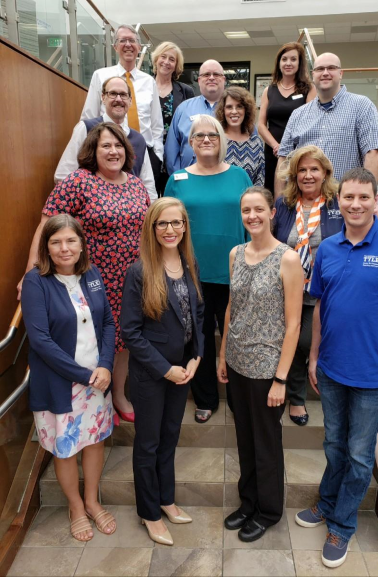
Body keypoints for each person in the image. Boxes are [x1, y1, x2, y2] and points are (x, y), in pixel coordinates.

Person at [296, 168, 378, 569]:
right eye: (348, 198)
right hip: (333, 370)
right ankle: (328, 501)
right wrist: (315, 356)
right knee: (335, 445)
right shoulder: (329, 249)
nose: (355, 205)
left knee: (358, 455)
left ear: (376, 202)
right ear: (339, 201)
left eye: (363, 198)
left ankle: (342, 524)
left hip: (374, 377)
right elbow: (319, 307)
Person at [19, 122, 150, 423]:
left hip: (130, 278)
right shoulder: (79, 181)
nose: (113, 151)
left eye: (118, 145)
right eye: (106, 145)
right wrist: (31, 273)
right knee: (95, 337)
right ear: (93, 150)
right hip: (91, 279)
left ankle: (118, 393)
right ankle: (98, 396)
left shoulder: (134, 183)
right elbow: (47, 223)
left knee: (123, 339)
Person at [21, 214, 116, 542]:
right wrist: (87, 375)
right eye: (56, 241)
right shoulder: (36, 281)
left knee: (94, 441)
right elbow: (40, 341)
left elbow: (107, 323)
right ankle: (75, 507)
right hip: (61, 384)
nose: (64, 248)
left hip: (98, 382)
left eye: (71, 240)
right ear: (46, 247)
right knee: (66, 448)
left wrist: (105, 366)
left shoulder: (91, 273)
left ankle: (91, 500)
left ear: (81, 244)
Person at [218, 186, 304, 542]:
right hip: (237, 362)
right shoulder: (236, 253)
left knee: (266, 443)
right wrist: (222, 353)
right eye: (245, 210)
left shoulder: (287, 258)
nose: (251, 216)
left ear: (271, 212)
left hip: (268, 369)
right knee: (244, 440)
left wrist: (281, 379)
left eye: (258, 209)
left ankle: (268, 510)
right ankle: (248, 500)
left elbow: (294, 323)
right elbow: (230, 307)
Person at [120, 197, 204, 546]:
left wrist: (196, 357)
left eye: (176, 223)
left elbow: (197, 315)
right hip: (151, 375)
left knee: (169, 438)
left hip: (182, 371)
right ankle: (149, 513)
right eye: (162, 224)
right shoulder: (139, 272)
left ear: (185, 226)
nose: (170, 230)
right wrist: (164, 369)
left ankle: (166, 500)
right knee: (148, 444)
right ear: (152, 228)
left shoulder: (188, 264)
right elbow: (131, 332)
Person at [165, 115, 252, 422]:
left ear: (221, 140)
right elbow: (166, 226)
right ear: (189, 142)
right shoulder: (176, 179)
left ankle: (239, 397)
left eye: (212, 135)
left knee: (237, 336)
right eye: (199, 135)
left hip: (234, 272)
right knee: (198, 338)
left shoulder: (240, 176)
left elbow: (252, 219)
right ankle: (206, 398)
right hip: (191, 274)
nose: (205, 140)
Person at [273, 145, 343, 425]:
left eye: (314, 169)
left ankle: (298, 395)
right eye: (302, 170)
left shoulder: (338, 204)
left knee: (304, 341)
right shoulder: (284, 204)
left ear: (325, 173)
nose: (308, 175)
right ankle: (292, 396)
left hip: (322, 291)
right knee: (286, 339)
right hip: (287, 290)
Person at [274, 52, 378, 197]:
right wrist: (279, 203)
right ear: (312, 75)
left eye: (331, 68)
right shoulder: (298, 114)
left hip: (343, 203)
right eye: (320, 69)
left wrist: (367, 198)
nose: (325, 73)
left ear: (341, 73)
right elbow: (283, 159)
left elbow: (372, 153)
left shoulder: (362, 106)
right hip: (303, 203)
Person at [81, 24, 164, 188]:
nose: (128, 45)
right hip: (109, 154)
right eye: (123, 40)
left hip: (142, 152)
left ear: (139, 47)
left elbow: (156, 125)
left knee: (145, 200)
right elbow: (89, 117)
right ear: (115, 47)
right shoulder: (100, 76)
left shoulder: (149, 81)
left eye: (132, 41)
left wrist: (157, 155)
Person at [55, 76, 157, 203]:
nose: (118, 99)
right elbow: (63, 175)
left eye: (123, 95)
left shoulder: (139, 139)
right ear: (103, 97)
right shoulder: (86, 129)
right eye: (113, 94)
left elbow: (148, 186)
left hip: (130, 216)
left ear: (130, 101)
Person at [258, 42, 316, 194]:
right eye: (284, 59)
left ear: (299, 63)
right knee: (273, 193)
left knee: (296, 192)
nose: (288, 63)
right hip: (272, 152)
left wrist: (289, 149)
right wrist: (276, 146)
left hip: (298, 151)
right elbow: (261, 125)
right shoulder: (269, 90)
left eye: (293, 59)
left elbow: (310, 122)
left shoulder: (309, 89)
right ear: (279, 63)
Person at [164, 60, 226, 176]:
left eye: (216, 74)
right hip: (189, 181)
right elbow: (171, 150)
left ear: (224, 79)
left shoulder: (235, 110)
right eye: (206, 74)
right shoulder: (183, 109)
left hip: (225, 180)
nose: (211, 78)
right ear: (199, 80)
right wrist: (180, 178)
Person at [151, 41, 195, 194]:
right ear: (156, 59)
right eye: (163, 57)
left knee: (176, 198)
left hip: (175, 156)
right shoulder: (143, 86)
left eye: (172, 59)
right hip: (149, 154)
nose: (167, 62)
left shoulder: (185, 91)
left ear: (176, 65)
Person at [215, 86, 264, 186]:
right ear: (223, 111)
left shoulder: (256, 142)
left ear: (246, 110)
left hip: (250, 200)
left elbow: (260, 179)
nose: (234, 111)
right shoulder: (216, 140)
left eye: (239, 106)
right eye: (229, 107)